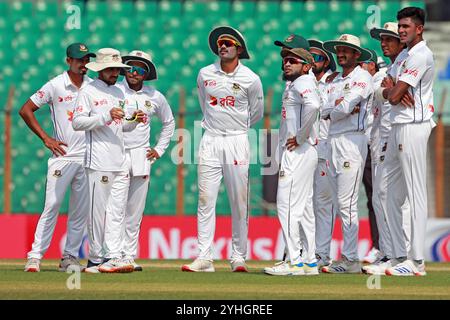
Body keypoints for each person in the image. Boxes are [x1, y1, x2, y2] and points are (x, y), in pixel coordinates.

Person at [182, 26, 264, 272]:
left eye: (228, 43)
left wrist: (237, 128)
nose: (223, 46)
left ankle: (238, 256)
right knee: (205, 199)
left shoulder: (251, 78)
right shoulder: (205, 74)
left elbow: (256, 113)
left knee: (239, 202)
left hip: (238, 140)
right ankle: (205, 257)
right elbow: (204, 104)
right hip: (210, 139)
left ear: (239, 49)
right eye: (220, 43)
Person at [20, 43, 95, 272]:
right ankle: (35, 256)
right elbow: (26, 109)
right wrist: (46, 138)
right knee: (51, 205)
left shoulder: (93, 87)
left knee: (79, 211)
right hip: (63, 156)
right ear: (68, 61)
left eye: (86, 60)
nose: (84, 65)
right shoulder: (56, 85)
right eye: (79, 60)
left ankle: (69, 257)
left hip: (87, 157)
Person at [72, 48, 145, 273]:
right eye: (111, 69)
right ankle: (95, 258)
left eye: (117, 69)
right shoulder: (88, 91)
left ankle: (113, 256)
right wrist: (105, 116)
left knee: (116, 211)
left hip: (120, 159)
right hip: (99, 160)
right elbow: (77, 122)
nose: (115, 73)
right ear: (100, 69)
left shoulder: (120, 93)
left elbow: (120, 126)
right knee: (97, 212)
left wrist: (133, 121)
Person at [380, 7, 435, 276]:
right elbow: (386, 83)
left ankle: (417, 262)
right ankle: (397, 255)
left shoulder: (420, 55)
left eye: (406, 27)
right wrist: (393, 87)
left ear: (419, 28)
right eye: (400, 27)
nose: (401, 31)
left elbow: (392, 95)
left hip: (414, 126)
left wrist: (394, 89)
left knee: (415, 194)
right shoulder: (403, 54)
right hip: (398, 126)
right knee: (389, 191)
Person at [264, 47, 320, 276]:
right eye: (285, 60)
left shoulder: (302, 82)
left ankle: (294, 262)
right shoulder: (299, 83)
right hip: (305, 151)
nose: (286, 64)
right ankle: (309, 262)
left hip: (298, 151)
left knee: (286, 205)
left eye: (292, 61)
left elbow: (314, 106)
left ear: (306, 66)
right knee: (305, 208)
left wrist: (299, 136)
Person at [116, 50, 175, 271]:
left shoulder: (154, 96)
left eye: (140, 70)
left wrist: (159, 149)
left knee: (134, 209)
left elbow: (169, 123)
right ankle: (112, 253)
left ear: (146, 74)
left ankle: (128, 256)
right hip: (117, 153)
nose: (134, 73)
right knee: (115, 206)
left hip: (141, 154)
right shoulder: (115, 90)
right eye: (130, 67)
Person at [321, 34, 374, 274]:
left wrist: (337, 108)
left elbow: (343, 107)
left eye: (347, 50)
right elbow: (322, 107)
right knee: (336, 202)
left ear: (356, 54)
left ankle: (351, 259)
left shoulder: (362, 76)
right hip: (332, 139)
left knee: (347, 202)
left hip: (353, 139)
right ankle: (343, 257)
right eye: (339, 49)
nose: (341, 53)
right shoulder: (332, 81)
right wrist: (338, 108)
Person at [363, 22, 410, 275]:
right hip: (381, 137)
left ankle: (403, 255)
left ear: (401, 42)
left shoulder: (401, 66)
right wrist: (387, 90)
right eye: (382, 39)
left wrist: (388, 90)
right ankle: (389, 252)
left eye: (389, 39)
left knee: (393, 197)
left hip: (396, 134)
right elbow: (379, 93)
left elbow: (390, 94)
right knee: (382, 196)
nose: (383, 43)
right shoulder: (390, 69)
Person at [307, 39, 338, 269]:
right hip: (305, 149)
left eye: (317, 57)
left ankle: (322, 253)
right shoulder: (303, 82)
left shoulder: (333, 83)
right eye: (309, 57)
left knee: (324, 204)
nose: (312, 61)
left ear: (326, 61)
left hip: (326, 148)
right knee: (301, 203)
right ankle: (300, 252)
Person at [359, 48, 384, 264]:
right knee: (372, 198)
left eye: (362, 64)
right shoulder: (359, 81)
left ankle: (385, 247)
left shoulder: (379, 79)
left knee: (381, 197)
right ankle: (378, 245)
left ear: (372, 66)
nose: (359, 68)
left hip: (378, 144)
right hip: (363, 143)